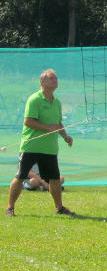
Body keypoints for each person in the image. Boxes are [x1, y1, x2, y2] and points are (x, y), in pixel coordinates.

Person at [6, 69, 74, 217]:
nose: (55, 80)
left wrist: (65, 136)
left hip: (49, 149)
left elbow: (58, 123)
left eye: (56, 78)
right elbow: (28, 121)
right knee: (20, 176)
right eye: (52, 78)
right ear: (42, 82)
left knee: (55, 179)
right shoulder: (34, 99)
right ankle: (10, 208)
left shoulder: (57, 102)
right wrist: (48, 128)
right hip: (31, 147)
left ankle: (59, 208)